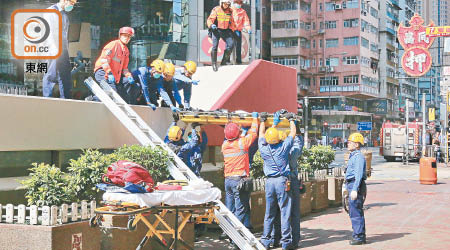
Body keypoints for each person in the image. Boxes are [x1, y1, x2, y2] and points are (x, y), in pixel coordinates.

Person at [259, 112, 296, 250]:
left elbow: (261, 134)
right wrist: (291, 119)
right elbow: (293, 132)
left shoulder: (263, 148)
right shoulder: (283, 147)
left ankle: (265, 241)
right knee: (284, 212)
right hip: (281, 181)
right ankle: (286, 242)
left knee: (269, 213)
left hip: (269, 182)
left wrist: (262, 120)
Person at [221, 113, 259, 244]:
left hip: (228, 181)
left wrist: (239, 131)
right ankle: (236, 240)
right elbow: (253, 133)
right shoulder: (242, 143)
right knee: (240, 210)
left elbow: (233, 138)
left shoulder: (224, 145)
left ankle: (228, 234)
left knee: (230, 209)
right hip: (239, 181)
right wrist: (255, 119)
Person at [272, 125, 304, 248]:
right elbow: (298, 143)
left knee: (278, 212)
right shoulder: (293, 151)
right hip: (292, 182)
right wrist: (294, 124)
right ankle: (294, 241)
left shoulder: (275, 150)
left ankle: (276, 239)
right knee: (294, 213)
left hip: (280, 182)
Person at [42, 0, 77, 99]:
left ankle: (66, 99)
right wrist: (53, 48)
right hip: (52, 48)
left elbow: (65, 35)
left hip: (63, 49)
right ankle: (47, 99)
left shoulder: (64, 15)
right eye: (72, 3)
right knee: (51, 74)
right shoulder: (51, 12)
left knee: (65, 75)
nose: (72, 6)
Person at [93, 27, 135, 103]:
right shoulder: (113, 45)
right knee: (112, 91)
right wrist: (109, 72)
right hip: (102, 72)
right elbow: (104, 60)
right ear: (120, 35)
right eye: (125, 35)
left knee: (122, 91)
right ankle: (93, 100)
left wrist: (129, 76)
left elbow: (124, 69)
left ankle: (96, 99)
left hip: (113, 76)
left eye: (129, 36)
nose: (127, 38)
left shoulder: (126, 51)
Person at [342, 133, 367, 245]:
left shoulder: (358, 157)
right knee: (353, 211)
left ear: (357, 144)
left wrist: (355, 189)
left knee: (356, 212)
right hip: (351, 184)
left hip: (355, 185)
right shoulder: (353, 155)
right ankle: (358, 234)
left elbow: (358, 174)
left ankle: (359, 237)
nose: (348, 144)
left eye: (350, 142)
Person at [207, 0, 235, 71]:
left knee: (231, 45)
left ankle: (224, 61)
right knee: (215, 46)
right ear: (221, 3)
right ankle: (214, 64)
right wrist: (211, 25)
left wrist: (233, 29)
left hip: (226, 30)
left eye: (228, 4)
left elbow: (232, 21)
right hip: (216, 30)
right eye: (225, 4)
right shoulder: (216, 9)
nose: (227, 5)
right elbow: (209, 19)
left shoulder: (230, 11)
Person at [231, 0, 251, 64]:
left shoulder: (243, 12)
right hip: (230, 30)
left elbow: (246, 21)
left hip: (238, 31)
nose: (239, 4)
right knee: (229, 45)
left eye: (240, 3)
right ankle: (228, 60)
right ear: (234, 3)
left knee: (238, 46)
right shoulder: (230, 10)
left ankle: (238, 61)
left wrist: (248, 28)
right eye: (238, 3)